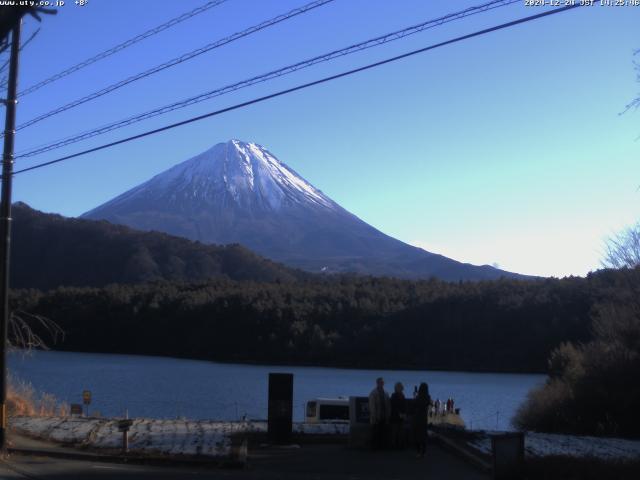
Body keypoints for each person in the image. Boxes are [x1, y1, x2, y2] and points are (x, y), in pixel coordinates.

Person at [368, 377, 391, 450]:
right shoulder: (373, 393)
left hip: (384, 416)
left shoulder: (386, 393)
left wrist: (388, 415)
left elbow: (388, 405)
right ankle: (374, 447)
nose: (382, 384)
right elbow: (372, 406)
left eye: (382, 382)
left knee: (383, 433)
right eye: (380, 382)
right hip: (376, 417)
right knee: (375, 433)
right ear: (377, 383)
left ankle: (382, 447)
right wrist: (374, 416)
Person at [412, 382, 431, 458]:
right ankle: (423, 452)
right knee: (423, 435)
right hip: (424, 418)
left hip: (417, 418)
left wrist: (415, 396)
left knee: (417, 435)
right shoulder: (427, 397)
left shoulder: (418, 397)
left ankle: (418, 452)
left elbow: (414, 404)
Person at [389, 382, 407, 449]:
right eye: (401, 388)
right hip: (395, 417)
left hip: (400, 417)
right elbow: (394, 406)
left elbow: (404, 406)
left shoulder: (402, 395)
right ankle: (394, 445)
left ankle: (399, 445)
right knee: (395, 432)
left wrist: (403, 414)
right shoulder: (394, 396)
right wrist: (400, 413)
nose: (402, 389)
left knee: (399, 432)